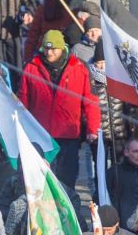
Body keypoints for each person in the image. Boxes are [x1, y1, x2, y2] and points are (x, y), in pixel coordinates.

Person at [19, 29, 100, 189]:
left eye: (53, 49)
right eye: (46, 48)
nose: (49, 53)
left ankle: (68, 210)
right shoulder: (31, 67)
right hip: (41, 134)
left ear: (62, 48)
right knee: (42, 180)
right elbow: (23, 100)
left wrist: (93, 128)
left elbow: (90, 101)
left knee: (66, 179)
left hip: (68, 136)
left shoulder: (79, 67)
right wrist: (22, 127)